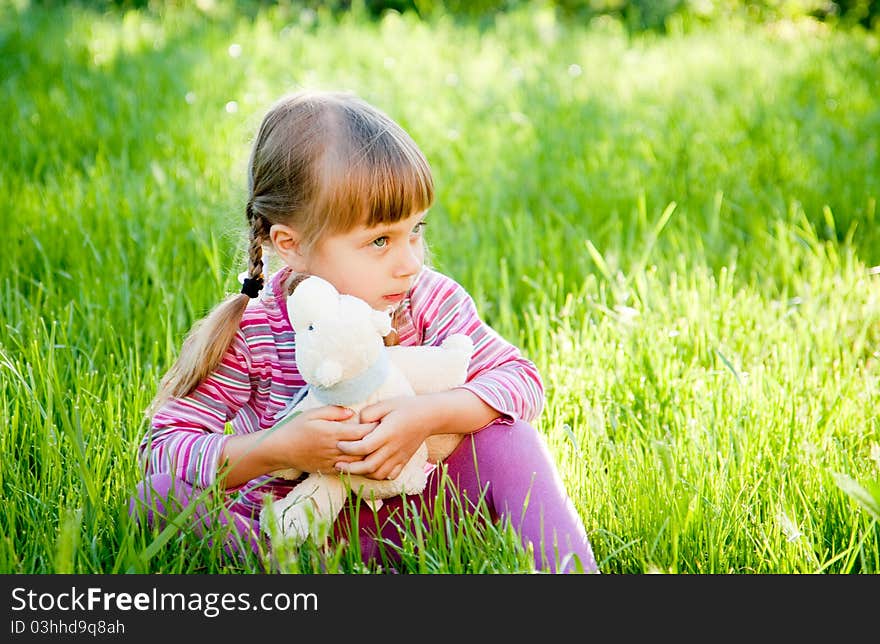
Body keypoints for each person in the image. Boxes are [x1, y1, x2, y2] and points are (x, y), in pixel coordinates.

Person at [130, 89, 598, 574]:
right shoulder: (255, 332)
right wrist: (277, 449)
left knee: (508, 435)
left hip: (417, 516)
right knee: (156, 498)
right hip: (299, 531)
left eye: (415, 230)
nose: (411, 262)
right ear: (290, 245)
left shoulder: (426, 298)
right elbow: (163, 450)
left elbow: (521, 381)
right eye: (380, 240)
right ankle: (281, 571)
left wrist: (426, 415)